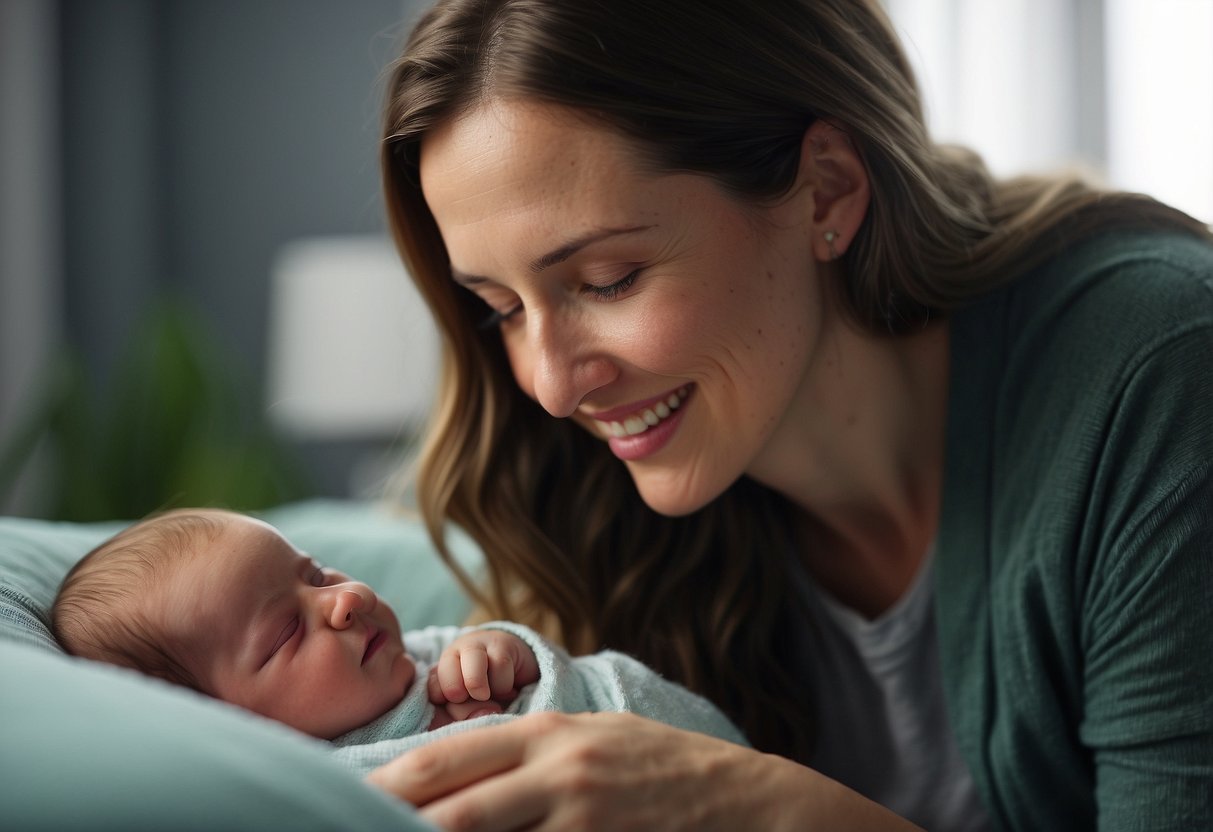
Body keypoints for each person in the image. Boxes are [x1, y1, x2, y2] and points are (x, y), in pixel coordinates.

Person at [367, 0, 1213, 829]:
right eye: (501, 308)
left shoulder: (1161, 372)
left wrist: (766, 811)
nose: (553, 389)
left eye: (608, 279)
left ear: (825, 190)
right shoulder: (597, 515)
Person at [51, 508, 746, 763]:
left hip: (697, 762)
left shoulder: (415, 654)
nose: (345, 600)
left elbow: (541, 659)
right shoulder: (331, 778)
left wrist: (503, 653)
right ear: (228, 723)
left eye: (317, 574)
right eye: (289, 631)